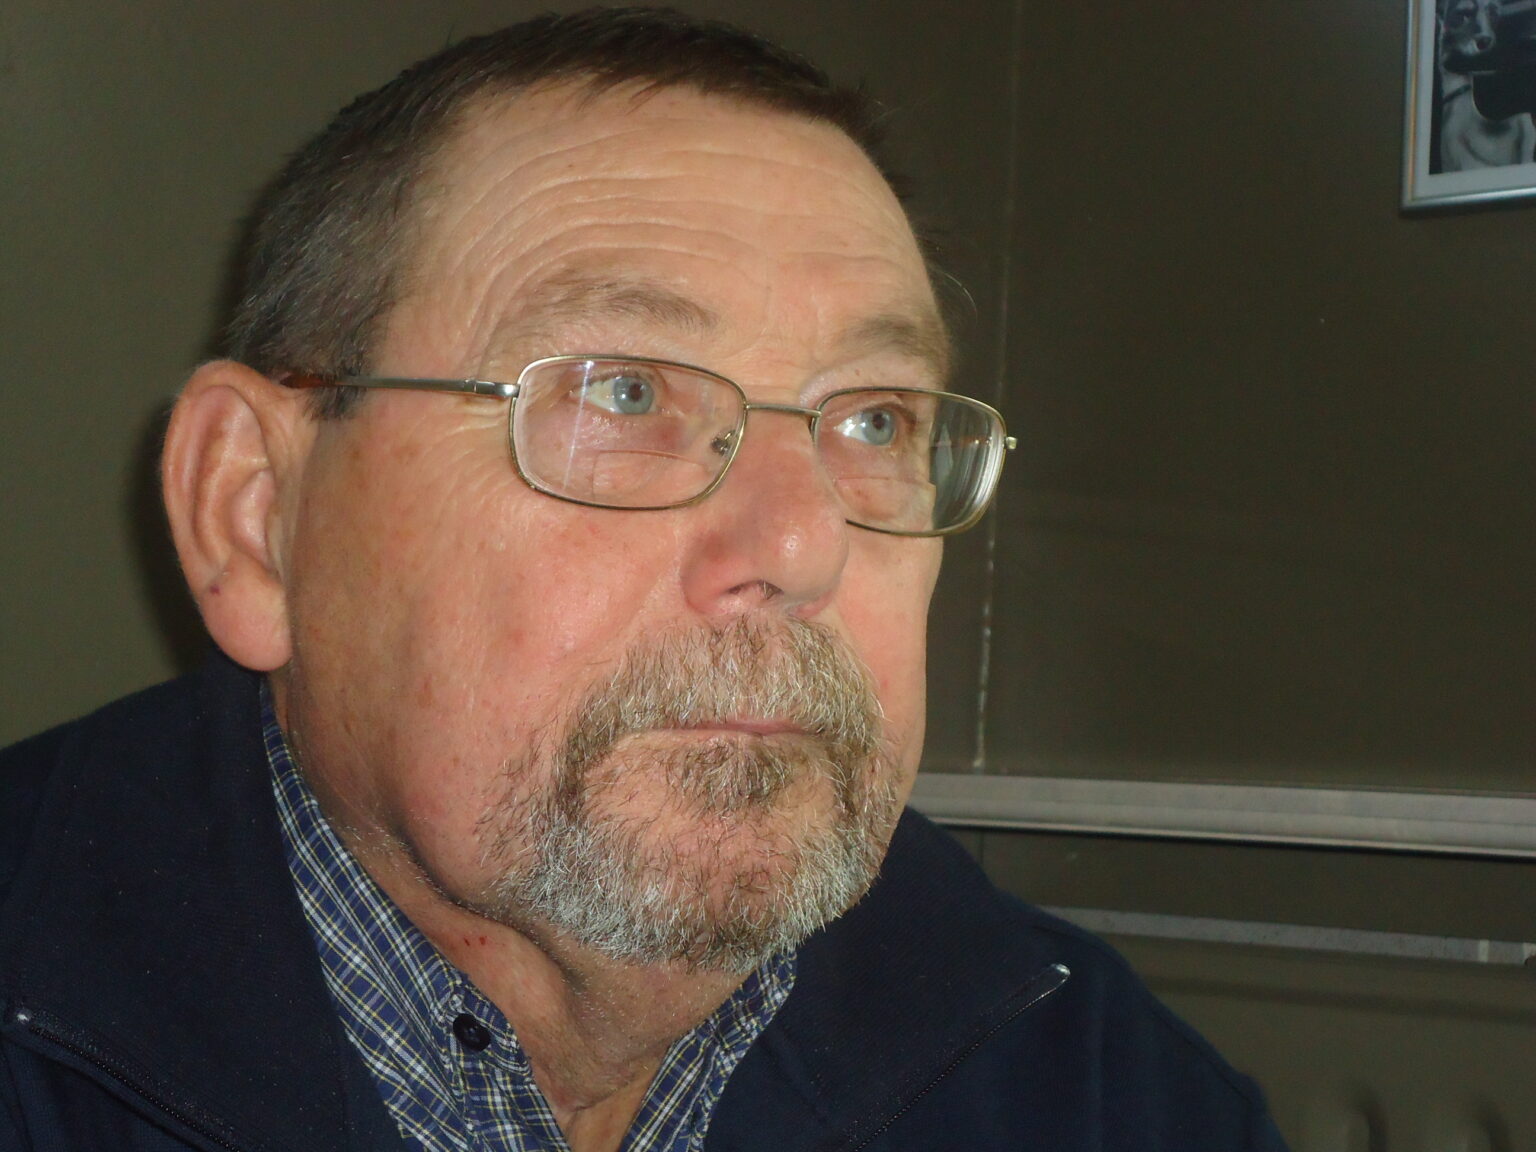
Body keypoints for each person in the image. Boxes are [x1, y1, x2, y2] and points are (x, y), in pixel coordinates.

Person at [0, 9, 1289, 1151]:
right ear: (256, 516)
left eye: (877, 421)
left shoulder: (1094, 1082)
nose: (801, 548)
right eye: (622, 392)